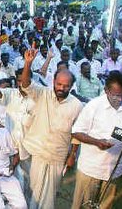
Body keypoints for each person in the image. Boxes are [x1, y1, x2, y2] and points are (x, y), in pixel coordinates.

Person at [20, 45, 83, 209]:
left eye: (66, 86)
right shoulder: (43, 93)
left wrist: (73, 155)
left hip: (58, 156)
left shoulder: (77, 105)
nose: (61, 88)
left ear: (71, 86)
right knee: (33, 192)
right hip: (38, 154)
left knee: (49, 196)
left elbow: (77, 133)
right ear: (53, 82)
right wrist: (28, 63)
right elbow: (26, 84)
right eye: (59, 84)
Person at [71, 71, 122, 209]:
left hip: (114, 170)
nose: (118, 99)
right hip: (91, 168)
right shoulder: (94, 106)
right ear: (106, 90)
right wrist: (97, 142)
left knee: (105, 205)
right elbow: (76, 132)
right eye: (114, 95)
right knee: (83, 205)